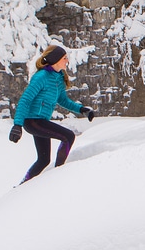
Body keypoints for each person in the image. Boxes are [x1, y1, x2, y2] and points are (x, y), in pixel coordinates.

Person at [9, 44, 95, 183]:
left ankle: (22, 186)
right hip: (32, 121)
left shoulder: (58, 78)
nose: (67, 61)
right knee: (68, 136)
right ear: (55, 60)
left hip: (41, 121)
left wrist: (82, 109)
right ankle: (58, 176)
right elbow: (25, 100)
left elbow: (62, 100)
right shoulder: (41, 76)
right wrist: (17, 125)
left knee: (43, 160)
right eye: (64, 58)